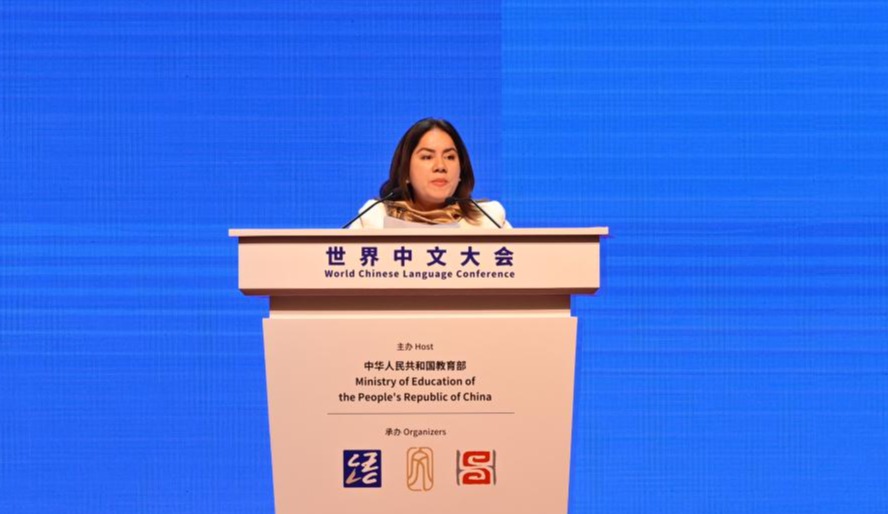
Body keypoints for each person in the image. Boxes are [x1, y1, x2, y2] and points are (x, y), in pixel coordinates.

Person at [347, 118, 510, 229]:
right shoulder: (374, 219)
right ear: (406, 172)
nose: (440, 166)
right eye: (427, 157)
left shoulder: (488, 220)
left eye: (450, 157)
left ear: (461, 170)